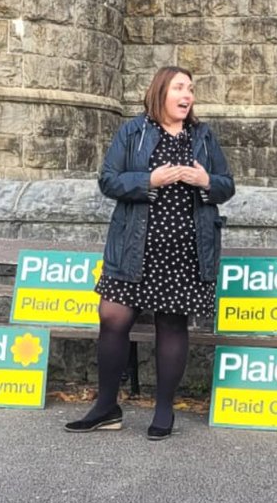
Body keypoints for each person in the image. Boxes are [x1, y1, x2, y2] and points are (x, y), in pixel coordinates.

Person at [66, 66, 235, 440]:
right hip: (133, 246)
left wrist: (206, 180)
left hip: (184, 249)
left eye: (190, 89)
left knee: (171, 324)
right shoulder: (134, 131)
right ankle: (106, 407)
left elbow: (227, 186)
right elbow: (108, 180)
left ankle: (163, 411)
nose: (187, 95)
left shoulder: (202, 136)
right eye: (179, 88)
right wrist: (149, 180)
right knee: (112, 317)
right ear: (160, 92)